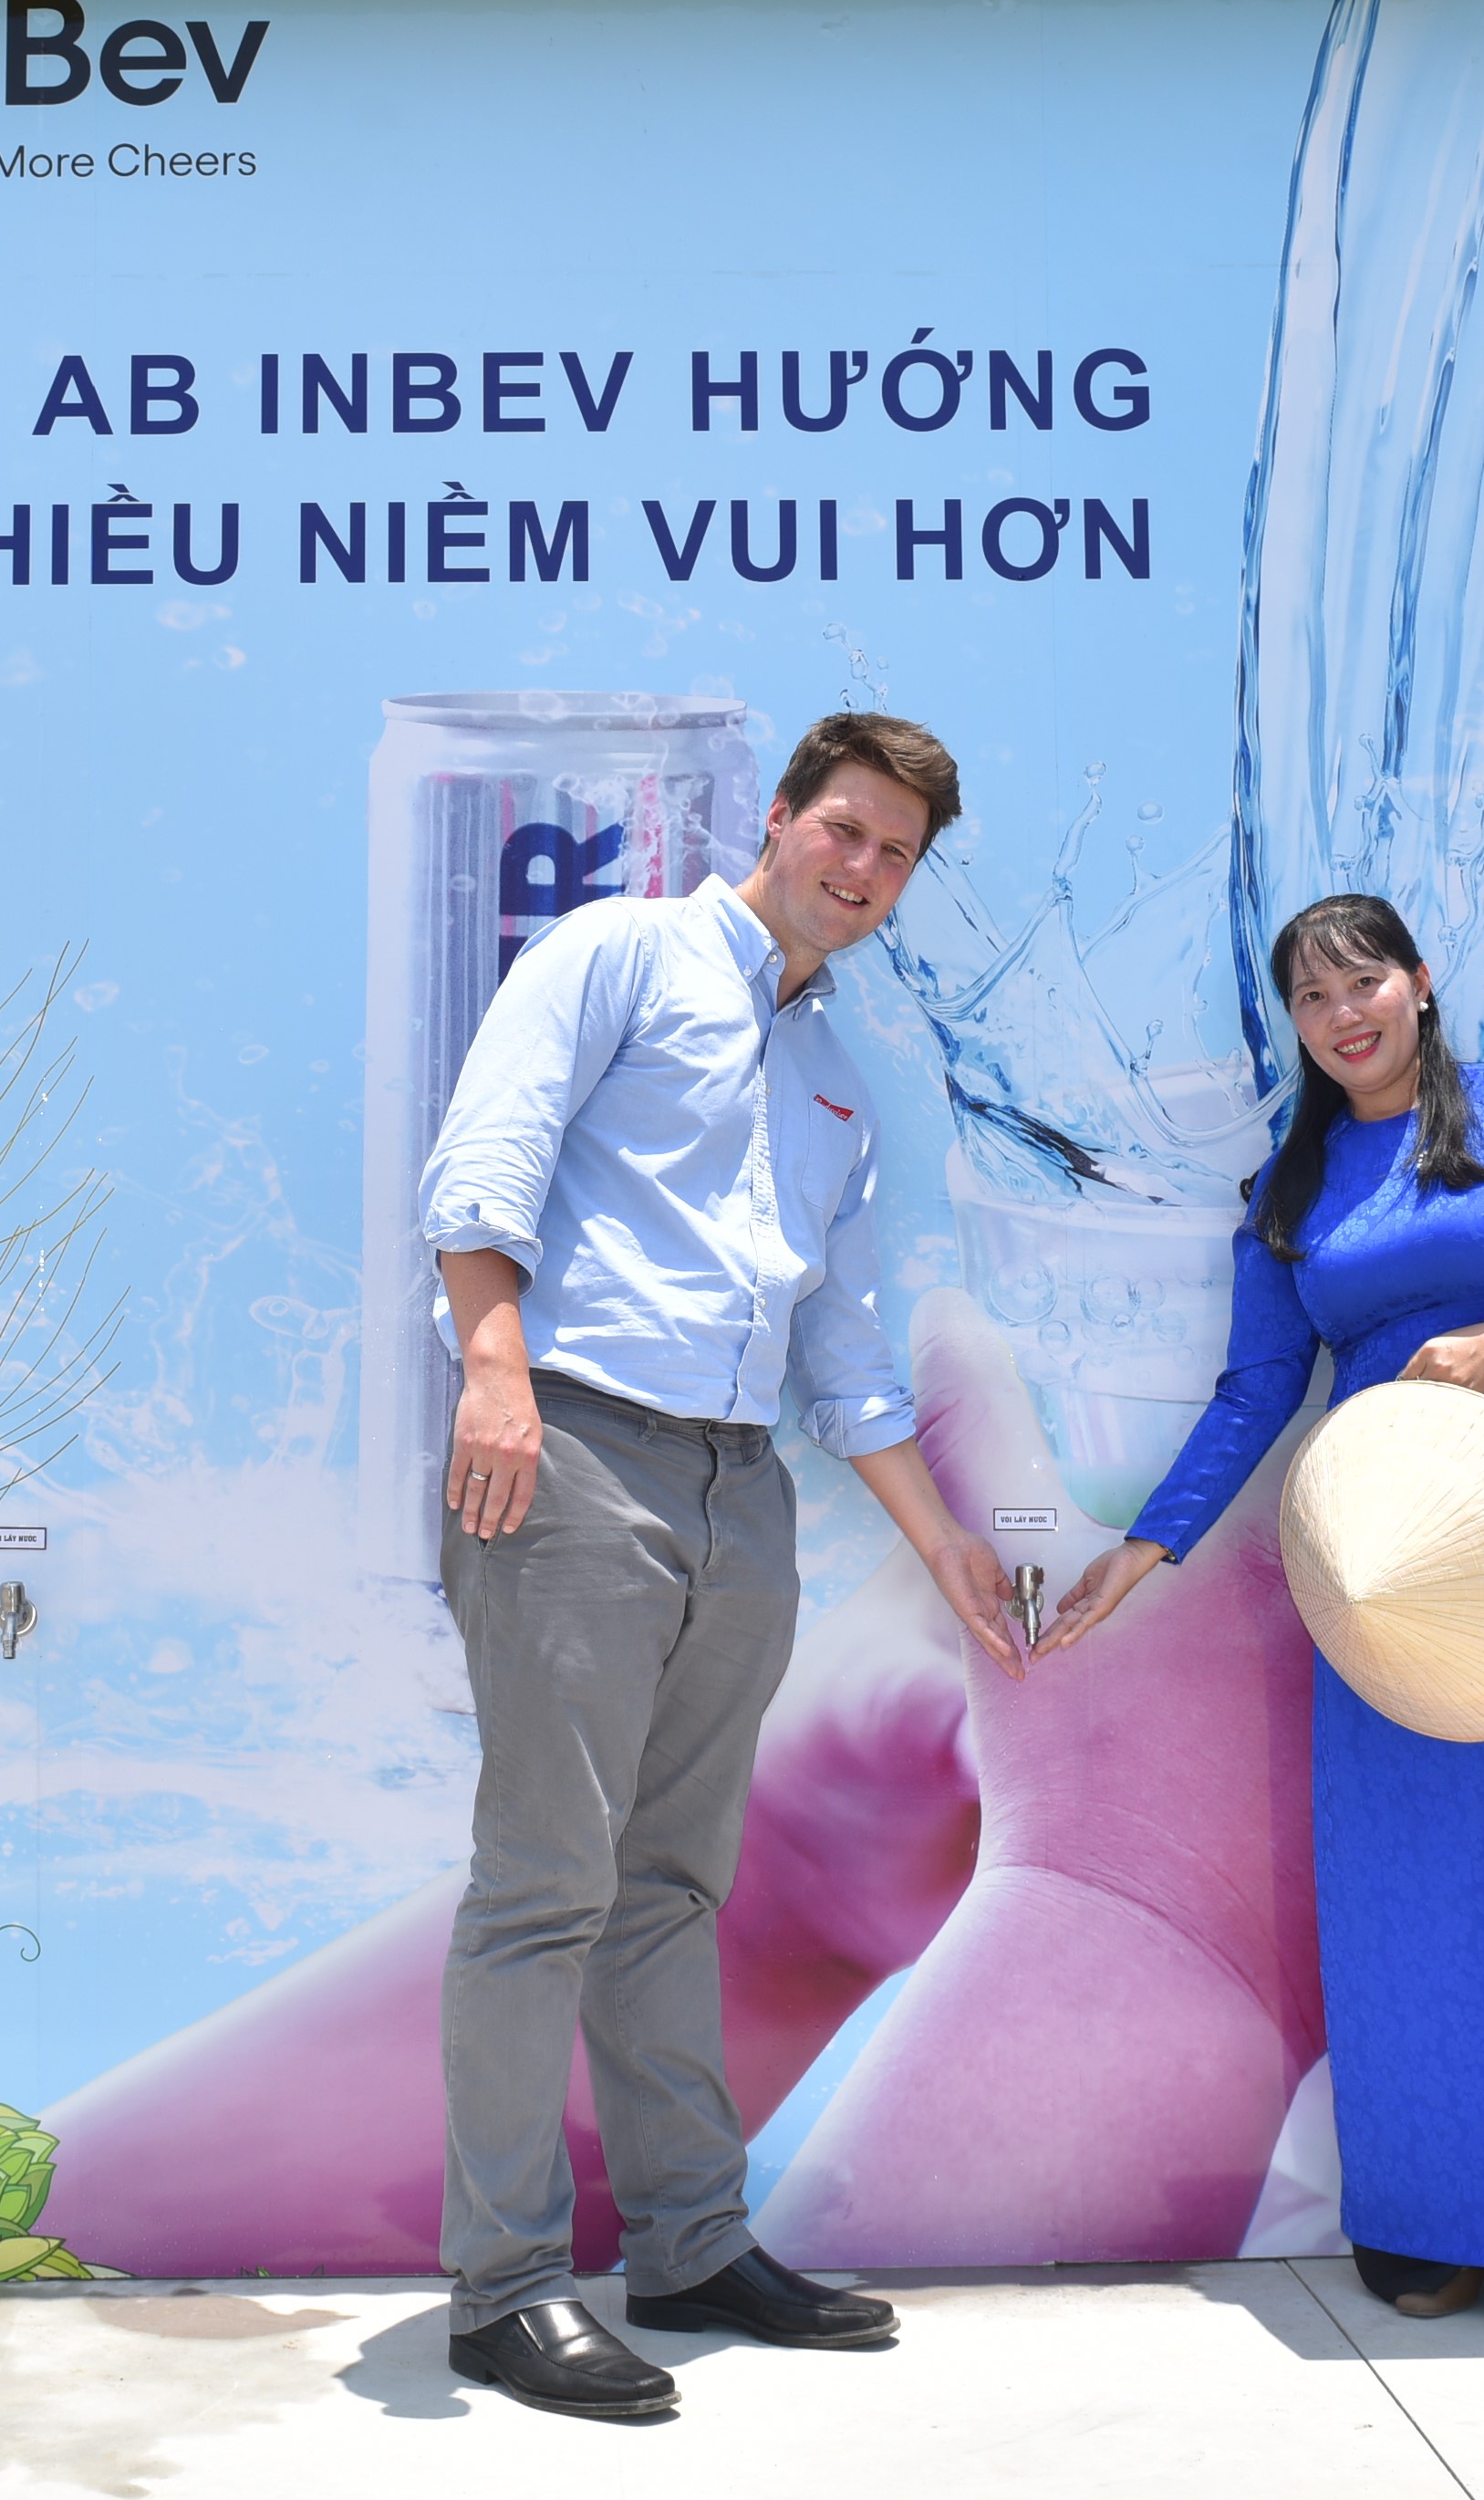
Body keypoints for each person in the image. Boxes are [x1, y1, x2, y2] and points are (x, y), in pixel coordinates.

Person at [411, 709, 1027, 2419]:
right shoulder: (620, 948)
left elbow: (839, 1344)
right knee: (547, 1877)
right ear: (776, 818)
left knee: (672, 1885)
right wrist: (493, 1375)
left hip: (739, 1489)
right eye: (846, 828)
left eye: (895, 855)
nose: (864, 867)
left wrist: (945, 1546)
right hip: (576, 1447)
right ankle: (504, 2283)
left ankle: (687, 2241)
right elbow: (487, 1157)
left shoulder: (836, 1081)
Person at [1035, 891, 1484, 2329]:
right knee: (1404, 1878)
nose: (1343, 1015)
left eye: (1364, 983)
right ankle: (1434, 2210)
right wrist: (1143, 1545)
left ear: (1419, 982)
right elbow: (1253, 1391)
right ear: (1295, 1027)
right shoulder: (1293, 1192)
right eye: (1310, 999)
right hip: (1379, 1555)